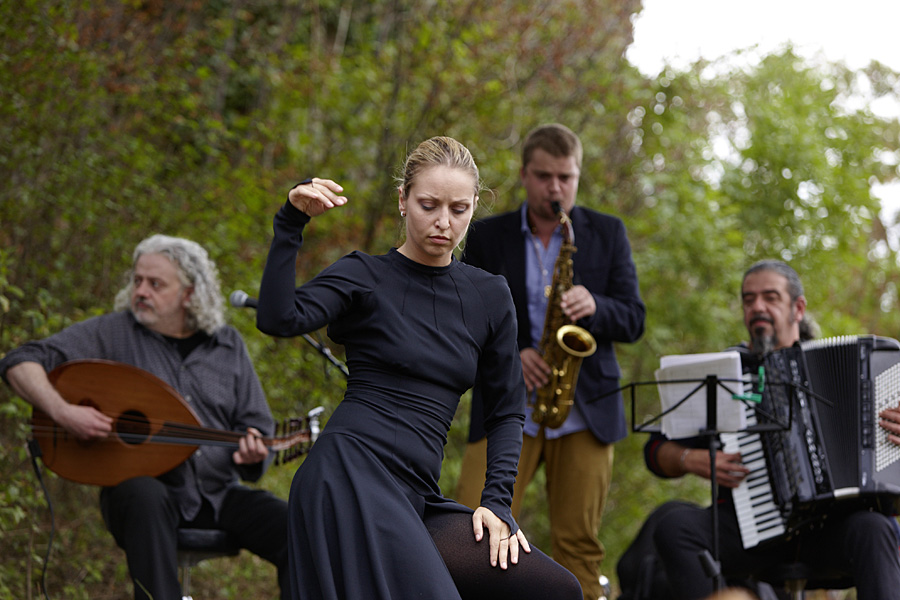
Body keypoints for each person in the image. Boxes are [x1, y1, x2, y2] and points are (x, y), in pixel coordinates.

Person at [255, 136, 583, 600]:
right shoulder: (365, 275)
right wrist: (291, 222)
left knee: (555, 589)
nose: (443, 222)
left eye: (459, 209)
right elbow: (278, 318)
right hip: (348, 475)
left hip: (417, 495)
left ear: (474, 207)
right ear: (403, 201)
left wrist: (496, 502)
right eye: (429, 205)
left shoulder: (489, 296)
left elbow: (507, 411)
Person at [0, 235, 289, 599]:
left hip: (217, 494)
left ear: (189, 293)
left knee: (297, 529)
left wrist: (254, 451)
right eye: (137, 280)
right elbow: (19, 361)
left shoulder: (227, 345)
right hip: (143, 497)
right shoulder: (111, 333)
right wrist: (64, 412)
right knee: (144, 494)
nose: (140, 291)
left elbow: (257, 424)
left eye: (155, 284)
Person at [453, 123, 646, 599]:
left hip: (585, 411)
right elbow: (462, 317)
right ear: (524, 175)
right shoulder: (486, 235)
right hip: (507, 406)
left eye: (566, 177)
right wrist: (510, 354)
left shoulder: (607, 232)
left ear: (578, 176)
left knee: (579, 545)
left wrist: (597, 306)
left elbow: (634, 319)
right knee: (469, 531)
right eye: (544, 176)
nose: (555, 188)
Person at [641, 259, 900, 600]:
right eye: (749, 300)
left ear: (798, 308)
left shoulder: (854, 371)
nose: (757, 307)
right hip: (750, 532)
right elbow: (655, 450)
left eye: (770, 297)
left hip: (829, 532)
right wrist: (691, 459)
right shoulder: (726, 372)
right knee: (673, 527)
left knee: (876, 528)